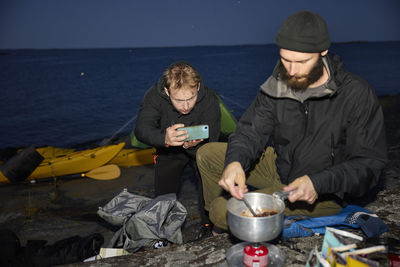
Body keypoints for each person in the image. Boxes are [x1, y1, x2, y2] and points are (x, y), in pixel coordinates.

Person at [196, 11, 387, 233]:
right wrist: (235, 162)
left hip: (324, 191)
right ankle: (220, 226)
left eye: (301, 61)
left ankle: (228, 222)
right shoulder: (278, 83)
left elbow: (369, 164)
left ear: (323, 51)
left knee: (223, 210)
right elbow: (250, 131)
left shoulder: (356, 93)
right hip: (281, 167)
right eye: (285, 59)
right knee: (208, 154)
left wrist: (319, 182)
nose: (292, 71)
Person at [134, 61, 221, 198]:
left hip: (200, 150)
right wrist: (164, 138)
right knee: (164, 199)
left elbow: (214, 136)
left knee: (209, 196)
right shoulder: (154, 96)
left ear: (198, 87)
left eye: (191, 98)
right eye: (179, 100)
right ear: (167, 91)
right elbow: (141, 129)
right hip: (167, 150)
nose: (186, 106)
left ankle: (208, 220)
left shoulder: (209, 98)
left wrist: (194, 146)